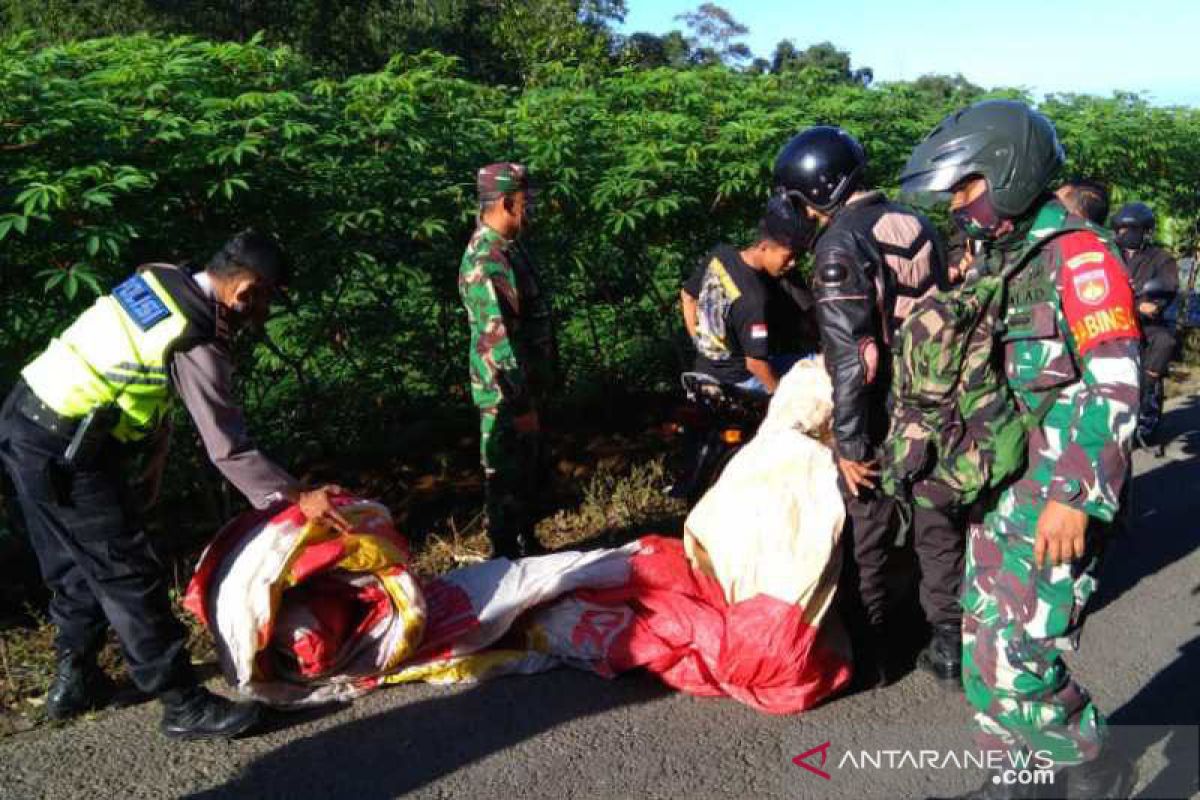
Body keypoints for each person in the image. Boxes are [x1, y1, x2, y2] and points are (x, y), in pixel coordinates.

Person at [0, 230, 348, 739]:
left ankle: (76, 680)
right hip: (66, 449)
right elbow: (228, 447)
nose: (262, 316)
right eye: (265, 301)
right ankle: (182, 702)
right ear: (245, 289)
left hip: (25, 421)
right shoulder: (199, 336)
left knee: (73, 561)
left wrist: (157, 445)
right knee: (128, 572)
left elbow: (142, 359)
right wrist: (299, 496)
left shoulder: (161, 277)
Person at [901, 99, 1139, 799]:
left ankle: (1094, 765)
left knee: (1021, 658)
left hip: (1055, 498)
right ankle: (1017, 779)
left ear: (1008, 171)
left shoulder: (1081, 257)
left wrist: (1076, 496)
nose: (957, 204)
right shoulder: (1003, 258)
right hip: (999, 490)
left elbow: (1117, 384)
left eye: (966, 186)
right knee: (982, 653)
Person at [772, 126, 946, 688]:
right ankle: (947, 639)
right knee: (938, 522)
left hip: (886, 408)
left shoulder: (840, 243)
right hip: (942, 401)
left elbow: (856, 359)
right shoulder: (919, 223)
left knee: (869, 529)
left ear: (815, 191)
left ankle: (876, 655)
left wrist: (849, 444)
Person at [459, 162, 557, 560]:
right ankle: (505, 565)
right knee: (504, 481)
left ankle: (526, 549)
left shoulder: (507, 250)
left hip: (522, 391)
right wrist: (521, 406)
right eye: (524, 203)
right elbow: (498, 343)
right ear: (506, 203)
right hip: (505, 397)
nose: (529, 211)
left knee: (524, 480)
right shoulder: (486, 260)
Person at [679, 196, 813, 394]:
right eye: (788, 256)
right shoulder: (755, 300)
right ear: (764, 247)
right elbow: (755, 364)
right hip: (741, 380)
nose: (793, 263)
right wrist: (780, 397)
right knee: (816, 367)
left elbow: (687, 297)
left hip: (705, 368)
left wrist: (702, 344)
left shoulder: (719, 255)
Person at [1111, 202, 1179, 444]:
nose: (1124, 234)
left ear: (1145, 231)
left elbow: (1168, 284)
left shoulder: (1160, 258)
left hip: (1145, 323)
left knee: (1164, 341)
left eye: (1130, 229)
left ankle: (1145, 392)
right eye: (1120, 229)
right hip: (1112, 319)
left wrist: (1148, 304)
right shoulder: (1108, 254)